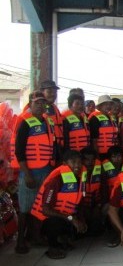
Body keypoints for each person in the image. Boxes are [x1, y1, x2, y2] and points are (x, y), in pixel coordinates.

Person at [13, 91, 57, 254]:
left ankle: (36, 236)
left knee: (40, 207)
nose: (40, 105)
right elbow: (19, 151)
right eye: (37, 102)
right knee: (25, 208)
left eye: (43, 103)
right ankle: (20, 241)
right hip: (30, 172)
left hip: (46, 170)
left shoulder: (47, 122)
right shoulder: (25, 122)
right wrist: (27, 174)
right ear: (30, 104)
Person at [30, 150, 87, 259]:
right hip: (47, 220)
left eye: (79, 162)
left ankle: (64, 239)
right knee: (54, 223)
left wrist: (81, 220)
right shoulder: (56, 180)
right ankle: (53, 248)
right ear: (65, 163)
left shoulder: (80, 178)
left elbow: (79, 203)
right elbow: (46, 210)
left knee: (86, 225)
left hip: (67, 217)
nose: (77, 165)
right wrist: (71, 218)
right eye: (73, 162)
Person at [80, 147, 104, 236]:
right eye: (87, 160)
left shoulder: (100, 169)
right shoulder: (76, 173)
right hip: (80, 207)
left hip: (96, 204)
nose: (90, 162)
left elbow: (104, 190)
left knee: (96, 231)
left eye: (92, 160)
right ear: (82, 161)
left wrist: (98, 205)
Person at [88, 95, 119, 160]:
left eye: (110, 104)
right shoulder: (94, 118)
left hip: (112, 153)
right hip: (101, 154)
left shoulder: (112, 118)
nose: (108, 106)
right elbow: (94, 140)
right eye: (105, 104)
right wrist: (97, 156)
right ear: (100, 106)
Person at [40, 80, 64, 150]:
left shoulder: (54, 108)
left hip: (57, 147)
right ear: (42, 92)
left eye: (55, 92)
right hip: (45, 148)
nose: (53, 94)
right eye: (49, 92)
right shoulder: (37, 110)